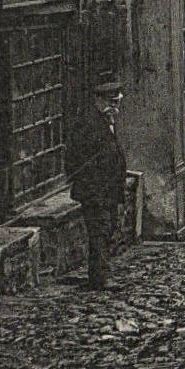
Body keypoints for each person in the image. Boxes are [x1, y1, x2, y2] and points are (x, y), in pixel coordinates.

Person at [65, 74, 127, 291]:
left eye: (117, 102)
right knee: (99, 231)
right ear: (99, 101)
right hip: (95, 188)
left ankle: (98, 274)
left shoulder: (105, 120)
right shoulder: (89, 123)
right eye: (112, 103)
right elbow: (78, 157)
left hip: (107, 188)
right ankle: (101, 277)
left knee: (105, 229)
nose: (115, 107)